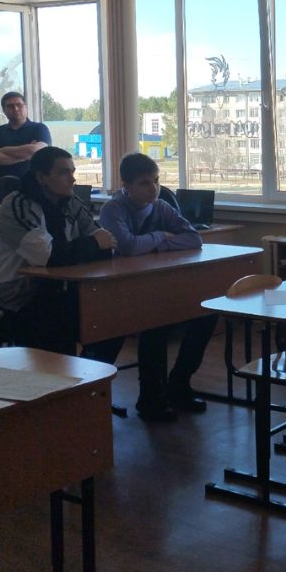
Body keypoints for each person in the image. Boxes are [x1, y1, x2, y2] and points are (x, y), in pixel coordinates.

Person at [93, 153, 218, 421]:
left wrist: (154, 244)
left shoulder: (160, 206)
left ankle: (179, 383)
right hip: (120, 290)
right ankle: (151, 397)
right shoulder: (113, 209)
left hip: (157, 284)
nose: (154, 188)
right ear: (126, 185)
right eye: (144, 183)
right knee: (155, 323)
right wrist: (161, 235)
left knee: (207, 314)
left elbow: (193, 239)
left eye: (157, 180)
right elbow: (128, 246)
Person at [0, 146, 116, 354]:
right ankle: (69, 372)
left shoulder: (72, 202)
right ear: (42, 177)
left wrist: (91, 245)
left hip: (60, 291)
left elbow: (106, 245)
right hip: (11, 294)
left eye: (72, 172)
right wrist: (91, 244)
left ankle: (87, 372)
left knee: (114, 320)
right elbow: (49, 257)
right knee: (57, 326)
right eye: (63, 173)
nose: (72, 179)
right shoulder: (17, 205)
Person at [0, 91, 52, 180]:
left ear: (26, 107)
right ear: (4, 111)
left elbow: (36, 151)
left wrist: (4, 150)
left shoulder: (40, 128)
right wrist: (27, 155)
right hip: (3, 185)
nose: (15, 109)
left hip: (34, 185)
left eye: (19, 105)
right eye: (10, 106)